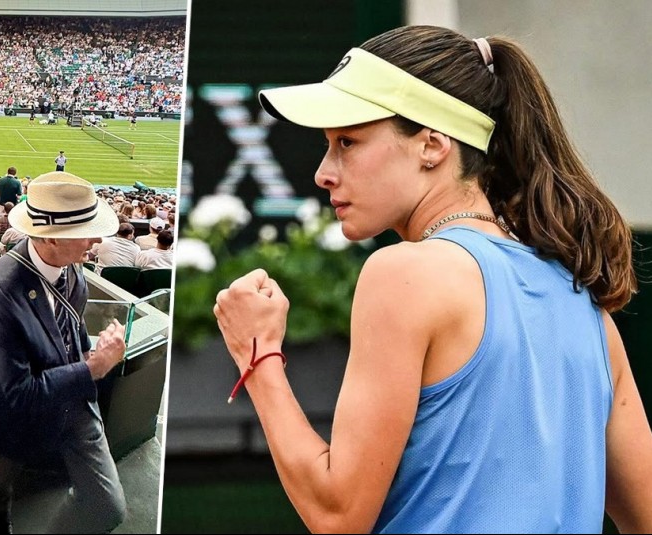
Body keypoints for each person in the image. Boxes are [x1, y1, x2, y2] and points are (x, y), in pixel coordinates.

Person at [212, 26, 650, 534]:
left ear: (433, 146)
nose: (323, 172)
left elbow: (337, 515)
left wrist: (258, 354)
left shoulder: (404, 274)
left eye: (348, 141)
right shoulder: (585, 305)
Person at [0, 172, 127, 533]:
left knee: (110, 508)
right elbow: (19, 392)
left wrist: (95, 351)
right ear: (49, 238)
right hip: (17, 416)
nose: (94, 241)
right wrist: (93, 368)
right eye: (85, 232)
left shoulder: (72, 269)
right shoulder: (3, 287)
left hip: (72, 405)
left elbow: (72, 334)